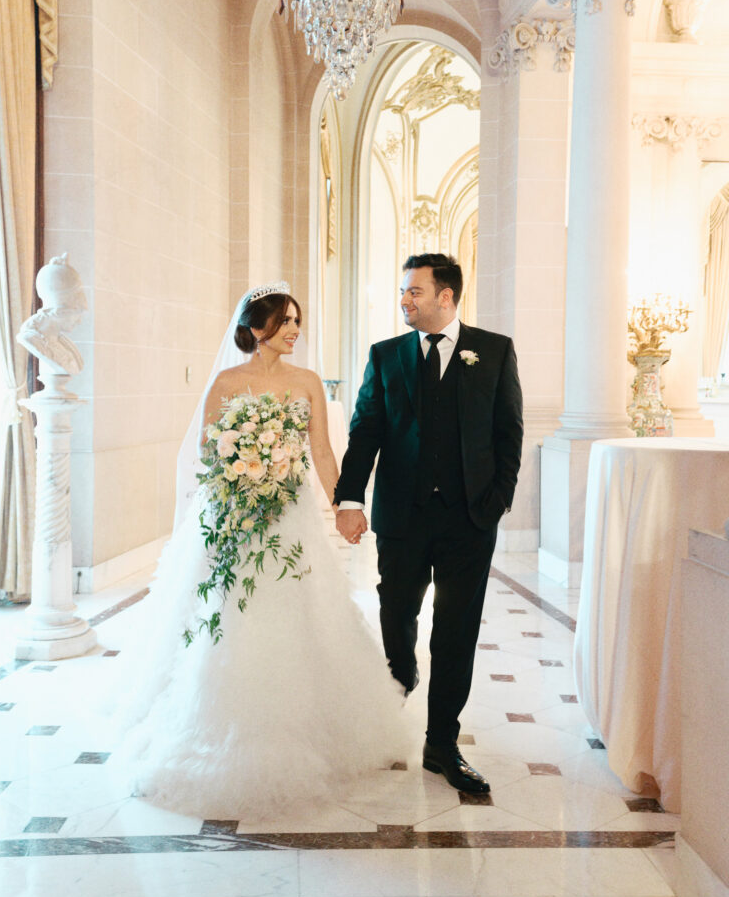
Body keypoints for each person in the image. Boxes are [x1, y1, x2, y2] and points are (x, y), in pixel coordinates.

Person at [110, 282, 410, 820]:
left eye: (297, 321)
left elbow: (320, 448)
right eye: (285, 321)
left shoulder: (307, 383)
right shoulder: (227, 383)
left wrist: (345, 504)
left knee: (299, 613)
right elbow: (208, 451)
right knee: (227, 615)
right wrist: (243, 472)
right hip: (233, 519)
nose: (295, 330)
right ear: (255, 329)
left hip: (289, 520)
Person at [334, 253, 523, 794]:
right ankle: (401, 676)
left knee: (456, 631)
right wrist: (350, 497)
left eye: (414, 291)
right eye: (402, 291)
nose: (404, 300)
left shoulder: (493, 351)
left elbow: (509, 433)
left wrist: (495, 503)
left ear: (446, 296)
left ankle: (441, 742)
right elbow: (365, 428)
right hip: (403, 517)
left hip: (469, 521)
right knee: (397, 613)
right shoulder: (386, 355)